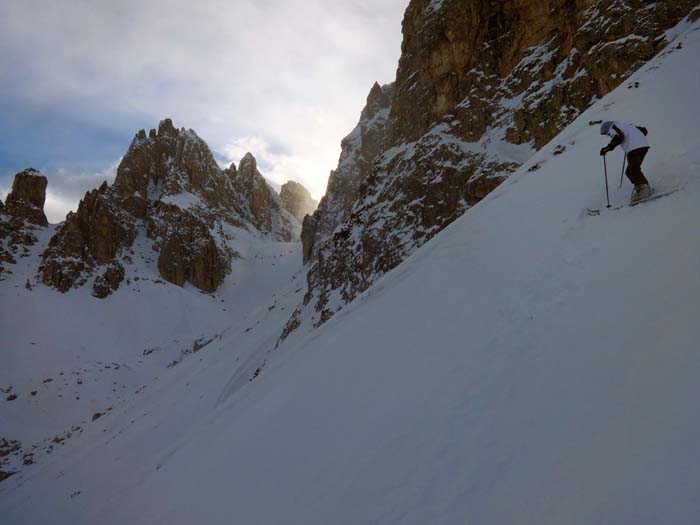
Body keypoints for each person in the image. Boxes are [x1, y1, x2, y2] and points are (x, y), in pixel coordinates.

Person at [600, 121, 651, 203]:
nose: (608, 135)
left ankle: (644, 189)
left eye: (606, 134)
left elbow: (620, 137)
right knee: (630, 171)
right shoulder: (627, 126)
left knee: (633, 170)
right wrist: (632, 137)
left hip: (633, 148)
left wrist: (607, 148)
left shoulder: (613, 128)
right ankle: (641, 186)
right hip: (644, 146)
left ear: (607, 129)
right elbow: (644, 130)